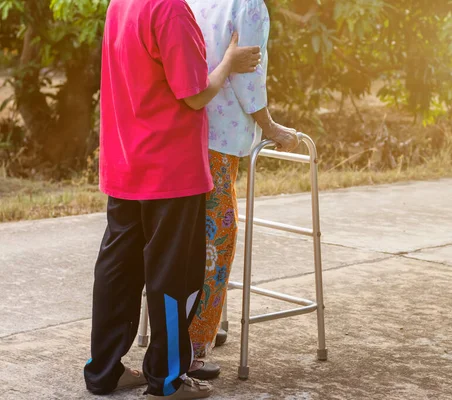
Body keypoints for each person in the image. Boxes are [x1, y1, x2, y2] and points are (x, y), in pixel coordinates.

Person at [83, 0, 261, 398]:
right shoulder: (170, 10)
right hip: (170, 168)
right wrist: (229, 61)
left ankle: (103, 370)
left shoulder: (121, 4)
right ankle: (167, 379)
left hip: (126, 159)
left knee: (118, 269)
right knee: (174, 274)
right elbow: (195, 96)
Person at [186, 0, 300, 379]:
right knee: (218, 237)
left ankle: (193, 326)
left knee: (186, 235)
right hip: (221, 137)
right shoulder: (248, 4)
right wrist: (271, 128)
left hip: (185, 128)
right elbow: (246, 77)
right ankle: (193, 345)